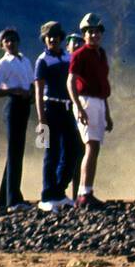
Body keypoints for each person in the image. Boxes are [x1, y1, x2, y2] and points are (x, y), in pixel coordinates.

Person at [66, 13, 111, 209]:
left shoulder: (101, 54)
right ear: (84, 35)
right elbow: (71, 82)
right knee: (91, 146)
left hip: (99, 101)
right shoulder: (80, 54)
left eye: (96, 32)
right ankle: (83, 192)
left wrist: (107, 113)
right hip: (86, 101)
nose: (93, 36)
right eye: (90, 32)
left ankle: (88, 190)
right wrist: (78, 106)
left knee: (95, 147)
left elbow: (103, 83)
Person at [33, 22, 79, 211]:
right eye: (48, 37)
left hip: (67, 108)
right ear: (45, 40)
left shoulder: (68, 58)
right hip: (50, 107)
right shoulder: (42, 60)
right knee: (51, 153)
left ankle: (59, 190)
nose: (52, 40)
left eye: (55, 36)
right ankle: (47, 194)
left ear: (61, 38)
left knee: (71, 151)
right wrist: (41, 117)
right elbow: (38, 89)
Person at [0, 28, 35, 212]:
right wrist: (13, 90)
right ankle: (14, 199)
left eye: (13, 40)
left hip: (25, 105)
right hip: (13, 105)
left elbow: (31, 82)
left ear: (18, 41)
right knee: (14, 152)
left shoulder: (25, 60)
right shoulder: (2, 64)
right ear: (2, 44)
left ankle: (3, 199)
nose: (10, 43)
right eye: (6, 41)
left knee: (17, 152)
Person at [63, 32, 85, 200]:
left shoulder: (85, 66)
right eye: (73, 42)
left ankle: (77, 193)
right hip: (61, 114)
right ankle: (57, 191)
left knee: (80, 154)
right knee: (60, 154)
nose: (76, 45)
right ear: (67, 46)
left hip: (79, 115)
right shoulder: (62, 64)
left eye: (80, 42)